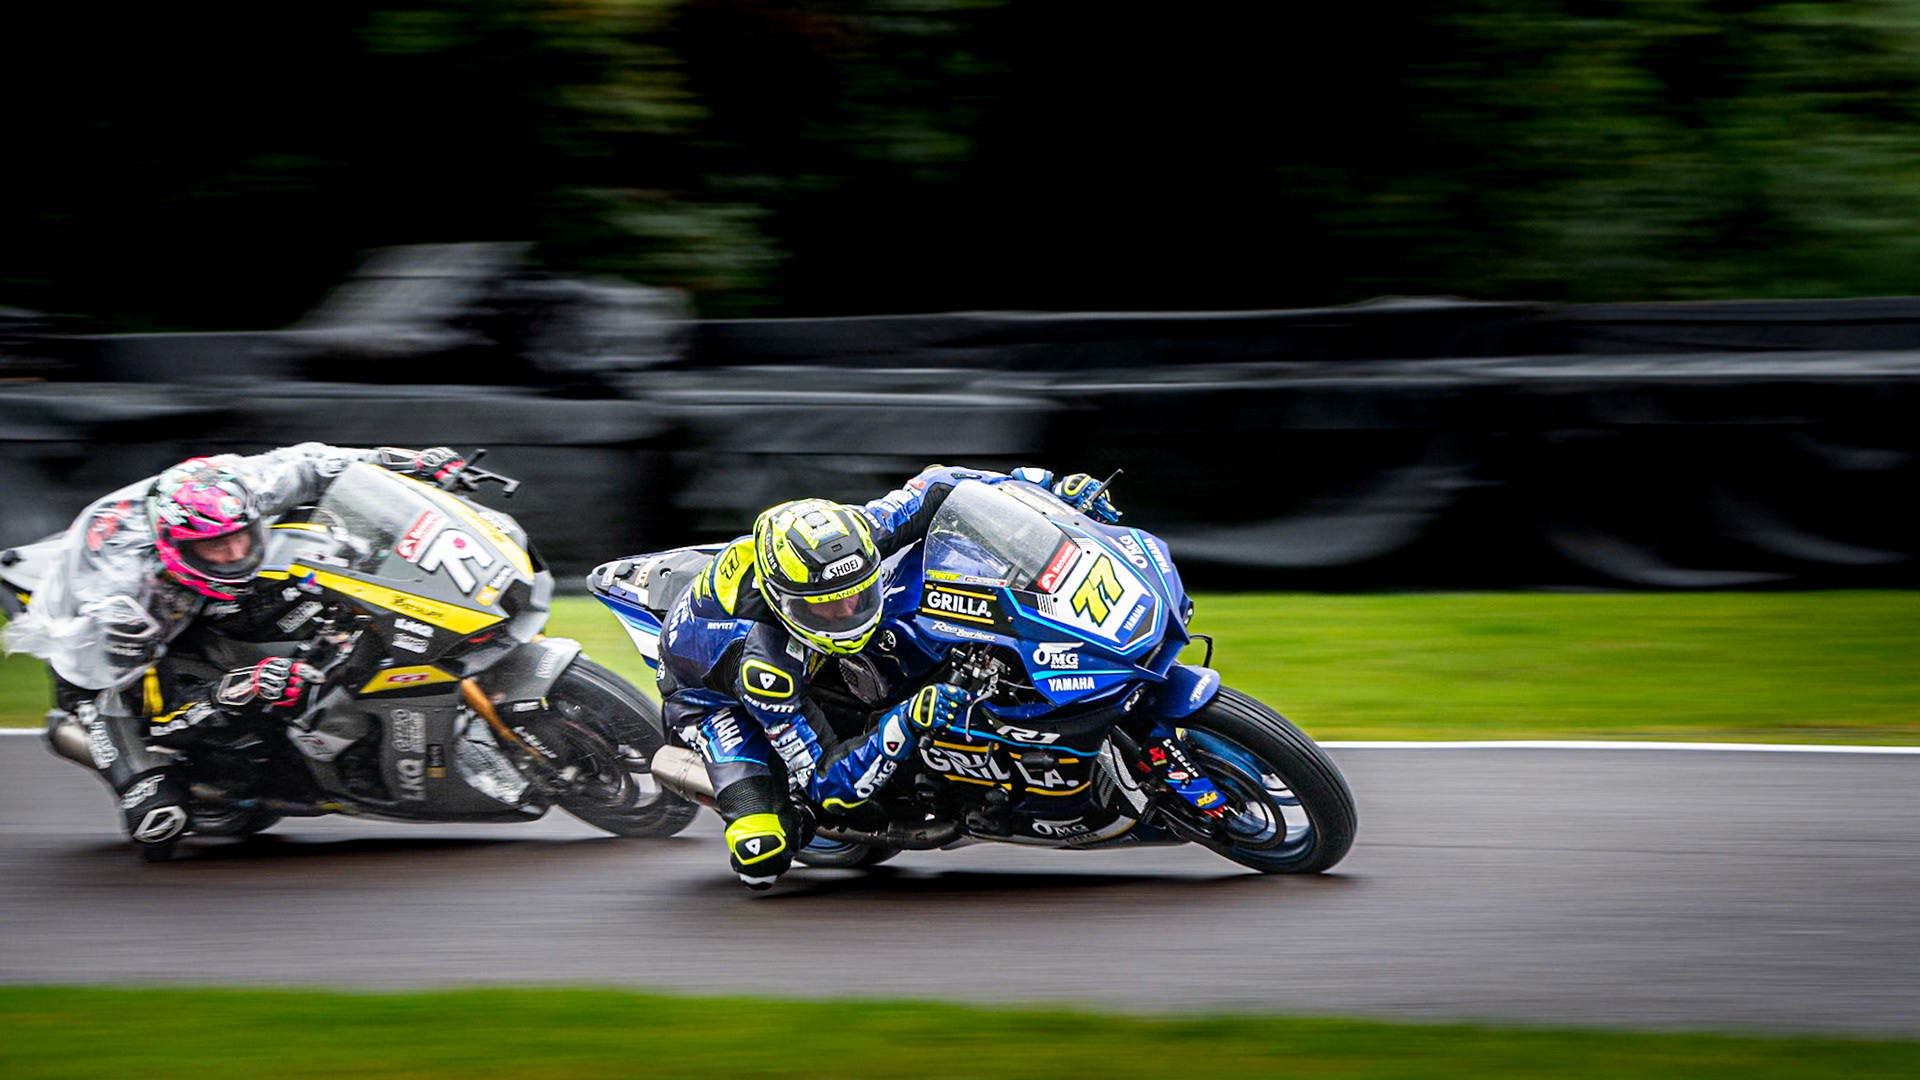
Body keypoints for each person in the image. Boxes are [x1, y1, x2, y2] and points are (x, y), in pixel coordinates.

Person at [651, 464, 1123, 889]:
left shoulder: (858, 537)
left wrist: (1049, 486)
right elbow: (824, 778)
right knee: (763, 855)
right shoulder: (765, 667)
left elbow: (944, 484)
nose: (848, 612)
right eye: (829, 607)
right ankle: (774, 810)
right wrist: (907, 721)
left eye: (857, 595)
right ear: (786, 603)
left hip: (803, 643)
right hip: (715, 701)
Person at [2, 443, 469, 857]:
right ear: (176, 549)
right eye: (214, 548)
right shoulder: (129, 599)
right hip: (93, 654)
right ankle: (142, 784)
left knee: (318, 569)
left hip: (159, 569)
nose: (231, 555)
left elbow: (312, 465)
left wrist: (402, 461)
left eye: (238, 538)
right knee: (156, 816)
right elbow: (127, 697)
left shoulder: (238, 487)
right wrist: (233, 690)